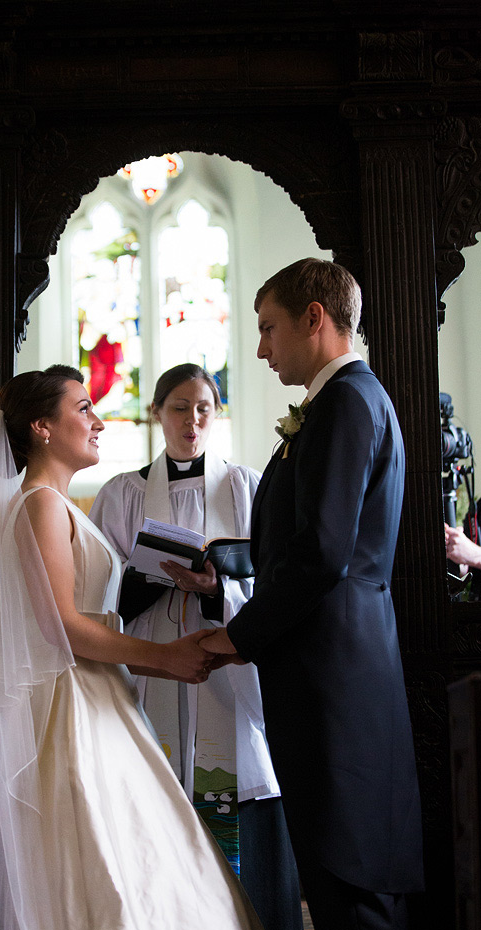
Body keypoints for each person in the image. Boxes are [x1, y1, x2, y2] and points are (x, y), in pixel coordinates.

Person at [0, 364, 264, 930]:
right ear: (43, 427)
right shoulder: (41, 503)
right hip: (74, 704)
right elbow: (62, 626)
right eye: (84, 408)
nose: (97, 421)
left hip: (100, 694)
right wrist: (166, 659)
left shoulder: (60, 504)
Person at [201, 259, 424, 930]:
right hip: (334, 665)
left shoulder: (347, 403)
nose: (263, 348)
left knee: (350, 878)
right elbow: (321, 540)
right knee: (337, 873)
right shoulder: (342, 403)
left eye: (269, 329)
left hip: (335, 676)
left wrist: (236, 636)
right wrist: (230, 562)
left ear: (315, 318)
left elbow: (325, 552)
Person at [89, 363, 303, 930]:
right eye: (179, 407)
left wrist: (218, 587)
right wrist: (148, 579)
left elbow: (272, 582)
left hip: (227, 667)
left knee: (238, 774)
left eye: (204, 407)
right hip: (152, 663)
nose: (192, 419)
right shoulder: (123, 493)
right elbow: (96, 591)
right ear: (157, 413)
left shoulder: (244, 485)